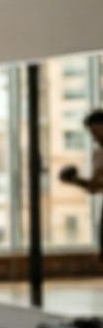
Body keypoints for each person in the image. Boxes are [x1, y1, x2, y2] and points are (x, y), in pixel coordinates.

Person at [58, 109, 103, 259]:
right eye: (92, 134)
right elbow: (94, 187)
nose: (95, 138)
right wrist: (74, 180)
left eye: (97, 132)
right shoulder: (98, 154)